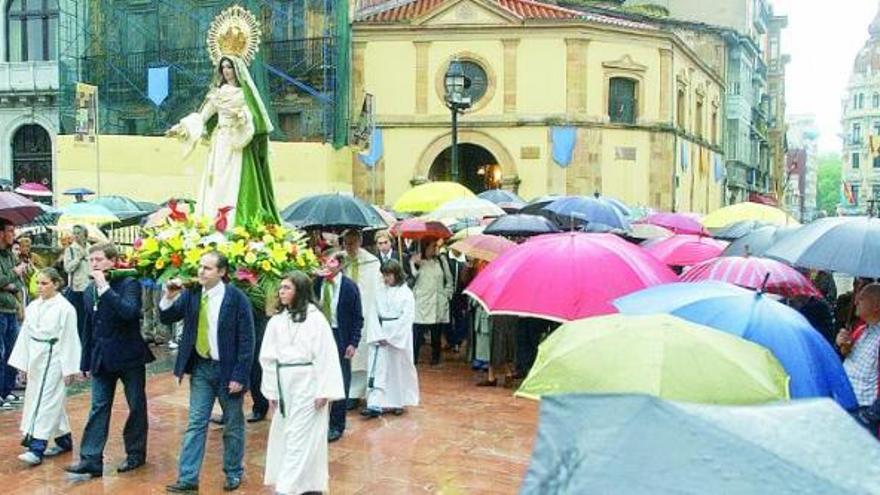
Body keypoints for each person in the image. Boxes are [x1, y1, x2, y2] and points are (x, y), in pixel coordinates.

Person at [161, 251, 255, 493]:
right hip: (202, 367)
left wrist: (239, 376)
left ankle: (233, 471)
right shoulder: (192, 294)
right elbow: (168, 316)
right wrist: (169, 297)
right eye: (200, 266)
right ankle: (188, 478)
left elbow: (247, 341)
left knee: (233, 424)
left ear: (222, 272)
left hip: (228, 370)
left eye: (208, 268)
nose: (201, 271)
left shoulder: (236, 299)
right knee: (196, 422)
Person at [65, 243, 151, 478]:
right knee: (98, 406)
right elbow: (88, 327)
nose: (94, 264)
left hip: (129, 355)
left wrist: (105, 288)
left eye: (99, 259)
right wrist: (84, 362)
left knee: (136, 405)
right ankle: (91, 459)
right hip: (101, 358)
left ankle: (135, 452)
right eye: (91, 260)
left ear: (113, 261)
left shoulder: (129, 284)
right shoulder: (88, 290)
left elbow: (130, 312)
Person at [167, 55, 279, 227]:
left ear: (237, 69)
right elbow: (202, 116)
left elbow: (253, 118)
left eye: (230, 67)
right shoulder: (217, 94)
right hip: (220, 142)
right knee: (216, 179)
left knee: (233, 179)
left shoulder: (244, 94)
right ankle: (213, 218)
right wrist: (181, 128)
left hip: (237, 143)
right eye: (224, 67)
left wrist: (242, 117)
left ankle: (233, 220)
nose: (226, 71)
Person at [260, 271, 344, 495]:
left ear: (300, 290)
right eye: (281, 287)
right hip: (285, 384)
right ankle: (308, 484)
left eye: (287, 287)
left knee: (301, 434)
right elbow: (267, 358)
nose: (281, 291)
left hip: (309, 383)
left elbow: (327, 355)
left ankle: (286, 488)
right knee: (289, 434)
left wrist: (325, 389)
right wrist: (271, 391)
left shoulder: (316, 319)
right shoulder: (277, 321)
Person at [8, 268, 81, 466]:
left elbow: (70, 338)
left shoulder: (65, 309)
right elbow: (25, 335)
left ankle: (36, 446)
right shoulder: (33, 306)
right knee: (38, 397)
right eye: (38, 283)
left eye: (44, 283)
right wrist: (22, 364)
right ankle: (63, 439)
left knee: (45, 400)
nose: (40, 287)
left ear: (56, 284)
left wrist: (70, 368)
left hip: (55, 357)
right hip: (35, 356)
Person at [313, 251, 363, 443]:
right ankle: (318, 421)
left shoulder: (349, 287)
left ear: (340, 264)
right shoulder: (317, 283)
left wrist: (353, 342)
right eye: (324, 261)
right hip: (319, 334)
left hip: (339, 335)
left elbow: (358, 317)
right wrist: (316, 279)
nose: (327, 264)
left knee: (341, 379)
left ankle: (337, 424)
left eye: (332, 261)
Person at [362, 260, 419, 418]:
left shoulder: (406, 293)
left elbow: (407, 318)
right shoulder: (379, 291)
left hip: (397, 338)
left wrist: (391, 337)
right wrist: (378, 335)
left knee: (397, 370)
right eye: (384, 275)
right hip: (380, 334)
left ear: (397, 274)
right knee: (378, 370)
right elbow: (373, 313)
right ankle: (376, 403)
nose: (386, 278)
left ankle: (398, 401)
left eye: (389, 275)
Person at [341, 229, 381, 408]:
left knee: (361, 352)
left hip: (364, 311)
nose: (350, 247)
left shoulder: (372, 262)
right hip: (342, 313)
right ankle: (344, 390)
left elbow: (377, 288)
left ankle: (357, 393)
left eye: (353, 243)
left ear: (360, 242)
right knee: (343, 350)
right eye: (346, 243)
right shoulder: (339, 260)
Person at [836, 283, 880, 437]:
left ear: (876, 306)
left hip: (863, 411)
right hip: (845, 404)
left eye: (862, 298)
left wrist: (870, 417)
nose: (856, 302)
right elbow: (847, 360)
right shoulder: (861, 330)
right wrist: (841, 346)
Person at [409, 239, 453, 366]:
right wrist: (413, 264)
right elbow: (412, 278)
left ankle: (435, 358)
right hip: (421, 302)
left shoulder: (441, 261)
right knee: (417, 333)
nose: (434, 249)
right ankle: (414, 358)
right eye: (432, 246)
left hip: (438, 301)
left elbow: (449, 279)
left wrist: (447, 294)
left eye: (435, 247)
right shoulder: (416, 261)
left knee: (436, 333)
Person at [0, 220, 24, 409]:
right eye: (10, 231)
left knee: (12, 352)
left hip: (11, 309)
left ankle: (7, 391)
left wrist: (11, 282)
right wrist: (14, 274)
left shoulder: (9, 255)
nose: (13, 234)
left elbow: (18, 284)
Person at [62, 225, 90, 342]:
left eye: (78, 233)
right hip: (77, 288)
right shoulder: (71, 250)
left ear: (85, 234)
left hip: (89, 286)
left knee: (88, 317)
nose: (76, 235)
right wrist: (78, 259)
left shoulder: (90, 248)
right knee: (79, 318)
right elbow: (67, 268)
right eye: (74, 233)